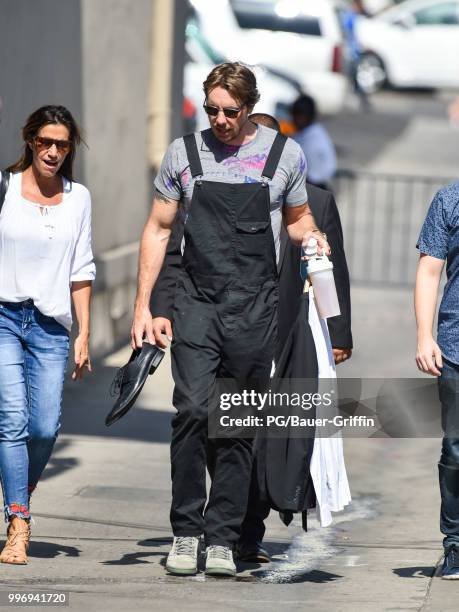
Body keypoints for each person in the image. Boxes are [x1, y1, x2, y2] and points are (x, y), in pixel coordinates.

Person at [131, 62, 329, 576]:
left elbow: (297, 218)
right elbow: (157, 229)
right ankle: (185, 532)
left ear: (249, 106)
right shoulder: (184, 154)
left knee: (236, 423)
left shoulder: (286, 156)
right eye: (212, 109)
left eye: (230, 112)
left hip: (254, 306)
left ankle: (223, 537)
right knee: (194, 410)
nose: (219, 120)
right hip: (196, 302)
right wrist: (144, 307)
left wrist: (313, 237)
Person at [0, 105, 95, 564]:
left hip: (51, 326)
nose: (53, 152)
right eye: (45, 142)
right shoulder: (5, 188)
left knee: (43, 427)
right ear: (29, 140)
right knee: (12, 421)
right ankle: (18, 520)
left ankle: (21, 486)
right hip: (3, 318)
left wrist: (83, 334)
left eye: (62, 144)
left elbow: (81, 268)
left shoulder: (79, 198)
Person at [415, 181, 459, 579]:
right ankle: (456, 543)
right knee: (457, 448)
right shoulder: (450, 198)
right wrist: (425, 335)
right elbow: (430, 270)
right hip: (456, 345)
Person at [291, 95, 337, 191]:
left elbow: (317, 173)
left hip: (315, 188)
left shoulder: (314, 138)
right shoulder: (303, 133)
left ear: (308, 116)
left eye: (299, 116)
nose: (294, 120)